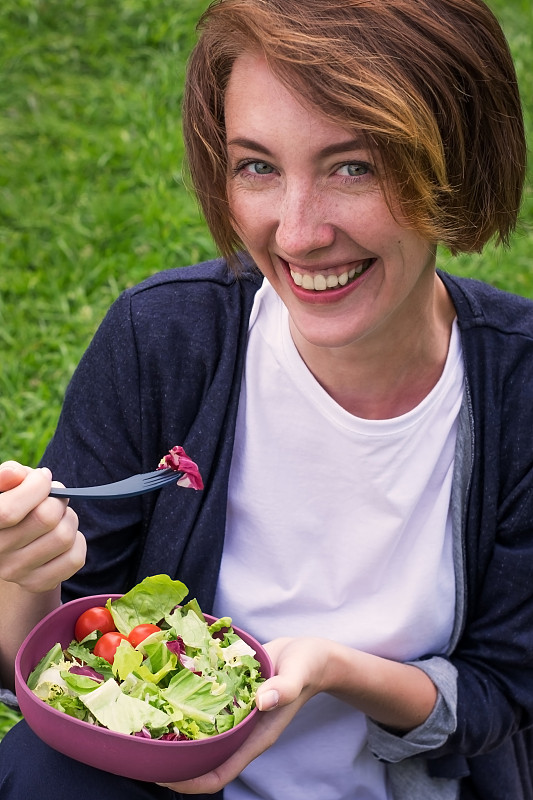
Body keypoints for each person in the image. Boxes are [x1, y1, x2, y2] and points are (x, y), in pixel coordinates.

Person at [0, 0, 531, 797]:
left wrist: (333, 672)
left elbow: (504, 690)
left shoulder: (516, 387)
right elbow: (54, 658)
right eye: (257, 166)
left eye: (354, 166)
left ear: (455, 162)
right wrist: (24, 574)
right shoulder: (166, 339)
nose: (295, 233)